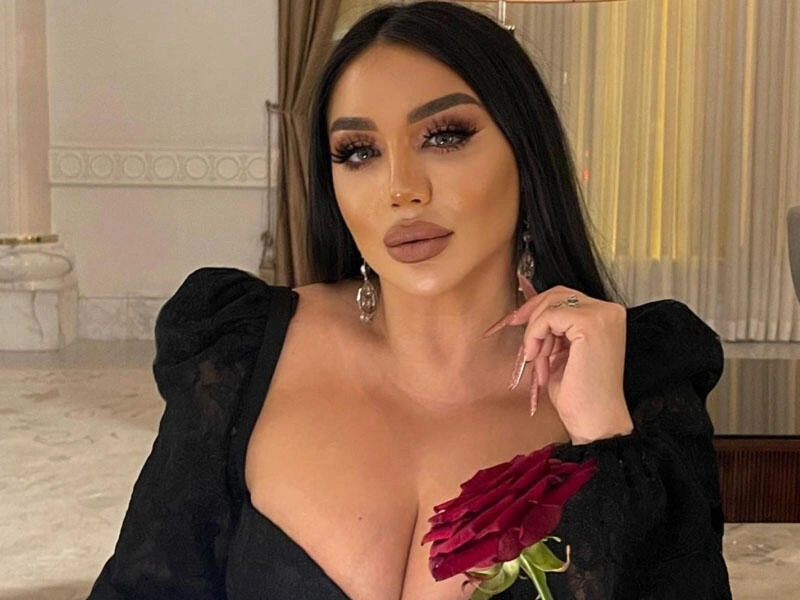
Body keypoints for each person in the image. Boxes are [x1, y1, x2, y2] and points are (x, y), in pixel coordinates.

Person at [87, 2, 732, 599]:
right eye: (358, 151)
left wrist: (605, 443)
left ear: (526, 151)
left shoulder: (640, 383)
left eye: (444, 136)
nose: (401, 189)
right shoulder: (244, 350)